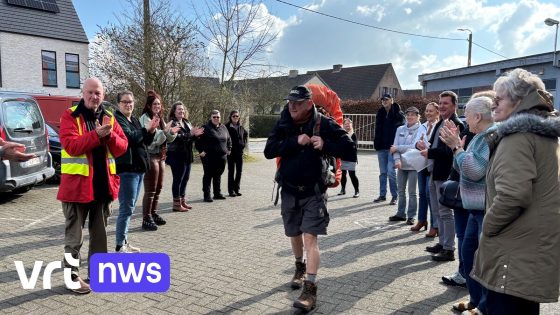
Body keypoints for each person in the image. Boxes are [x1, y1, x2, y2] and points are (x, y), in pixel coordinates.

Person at [471, 68, 560, 315]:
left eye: (500, 98)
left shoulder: (518, 137)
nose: (493, 103)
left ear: (519, 101)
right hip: (529, 251)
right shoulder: (541, 134)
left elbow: (513, 196)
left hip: (513, 252)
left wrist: (488, 226)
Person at [264, 85, 356, 312]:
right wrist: (296, 141)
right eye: (290, 102)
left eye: (297, 103)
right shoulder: (284, 122)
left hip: (314, 192)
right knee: (293, 233)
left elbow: (350, 149)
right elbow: (268, 150)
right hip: (289, 190)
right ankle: (299, 266)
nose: (292, 106)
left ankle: (310, 290)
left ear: (308, 103)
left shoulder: (323, 123)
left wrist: (325, 144)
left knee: (310, 238)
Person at [57, 77, 128, 294]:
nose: (93, 96)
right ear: (82, 93)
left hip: (102, 189)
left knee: (100, 237)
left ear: (103, 96)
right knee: (73, 239)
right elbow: (71, 146)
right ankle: (72, 277)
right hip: (76, 190)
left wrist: (109, 136)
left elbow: (122, 147)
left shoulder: (109, 118)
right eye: (90, 92)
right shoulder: (70, 116)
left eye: (97, 93)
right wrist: (96, 135)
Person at [439, 96, 496, 315]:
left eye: (468, 114)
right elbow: (462, 165)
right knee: (468, 251)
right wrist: (456, 148)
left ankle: (482, 306)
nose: (465, 118)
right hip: (473, 208)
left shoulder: (488, 137)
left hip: (483, 209)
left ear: (478, 116)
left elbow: (474, 170)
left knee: (478, 258)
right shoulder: (477, 136)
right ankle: (475, 300)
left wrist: (457, 148)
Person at [417, 90, 464, 262]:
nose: (442, 106)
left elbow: (449, 151)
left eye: (446, 103)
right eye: (440, 102)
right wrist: (425, 145)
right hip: (434, 172)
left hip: (445, 174)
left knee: (445, 212)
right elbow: (436, 144)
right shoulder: (441, 122)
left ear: (454, 105)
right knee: (437, 211)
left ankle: (449, 249)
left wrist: (429, 151)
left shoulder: (456, 124)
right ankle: (442, 243)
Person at [114, 91, 157, 253]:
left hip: (138, 169)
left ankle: (124, 241)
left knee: (130, 208)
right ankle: (119, 245)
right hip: (127, 170)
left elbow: (145, 141)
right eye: (125, 102)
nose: (128, 105)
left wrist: (151, 131)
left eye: (131, 102)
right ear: (118, 104)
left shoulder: (133, 119)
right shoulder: (118, 119)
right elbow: (130, 138)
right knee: (126, 208)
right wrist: (145, 129)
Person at [139, 90, 179, 231]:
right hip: (150, 155)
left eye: (159, 104)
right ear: (149, 105)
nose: (157, 106)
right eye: (155, 104)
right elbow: (153, 141)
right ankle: (146, 218)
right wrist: (164, 132)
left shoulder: (160, 118)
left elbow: (166, 139)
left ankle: (153, 213)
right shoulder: (145, 118)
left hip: (161, 156)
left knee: (159, 188)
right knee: (150, 190)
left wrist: (171, 133)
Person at [389, 106, 425, 225]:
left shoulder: (421, 129)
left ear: (418, 116)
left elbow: (413, 146)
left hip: (414, 165)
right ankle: (400, 214)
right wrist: (397, 160)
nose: (410, 117)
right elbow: (394, 147)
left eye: (413, 115)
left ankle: (411, 215)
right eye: (408, 115)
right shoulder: (400, 129)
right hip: (401, 164)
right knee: (400, 191)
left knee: (412, 192)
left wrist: (398, 148)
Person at [166, 101, 204, 211]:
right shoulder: (172, 123)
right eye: (179, 109)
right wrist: (191, 134)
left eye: (183, 109)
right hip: (176, 155)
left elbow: (190, 137)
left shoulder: (186, 122)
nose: (181, 111)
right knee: (178, 179)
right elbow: (178, 138)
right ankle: (176, 204)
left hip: (187, 155)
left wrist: (196, 135)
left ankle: (182, 200)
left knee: (185, 179)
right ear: (174, 111)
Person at [411, 102, 439, 235]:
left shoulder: (439, 126)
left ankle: (435, 225)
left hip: (432, 163)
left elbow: (437, 144)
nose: (428, 113)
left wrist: (427, 146)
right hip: (421, 162)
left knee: (430, 194)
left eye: (431, 111)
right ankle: (422, 220)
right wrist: (418, 144)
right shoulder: (422, 126)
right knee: (422, 193)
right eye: (427, 111)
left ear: (437, 113)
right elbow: (415, 142)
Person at [373, 93, 404, 205]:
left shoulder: (399, 114)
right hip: (381, 147)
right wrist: (376, 143)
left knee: (391, 172)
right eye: (382, 100)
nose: (384, 101)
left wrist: (397, 146)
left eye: (386, 99)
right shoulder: (380, 113)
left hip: (392, 147)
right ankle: (382, 195)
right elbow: (377, 129)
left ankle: (394, 196)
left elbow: (402, 131)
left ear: (391, 100)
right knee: (383, 172)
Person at [195, 110, 231, 202]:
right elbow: (197, 140)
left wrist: (229, 149)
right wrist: (201, 151)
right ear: (211, 118)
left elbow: (229, 139)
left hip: (222, 157)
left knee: (218, 175)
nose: (216, 118)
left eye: (217, 117)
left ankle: (217, 194)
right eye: (214, 117)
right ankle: (207, 195)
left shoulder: (223, 127)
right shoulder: (205, 128)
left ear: (220, 118)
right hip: (209, 157)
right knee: (208, 175)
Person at [225, 110, 248, 197]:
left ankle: (236, 189)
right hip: (230, 153)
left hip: (239, 153)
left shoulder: (241, 127)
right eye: (234, 116)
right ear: (230, 117)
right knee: (231, 171)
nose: (235, 117)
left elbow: (245, 135)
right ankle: (231, 191)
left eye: (237, 116)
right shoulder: (226, 127)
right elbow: (224, 138)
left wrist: (243, 144)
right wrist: (226, 148)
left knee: (239, 171)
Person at [338, 118, 359, 198]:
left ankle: (357, 191)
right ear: (343, 125)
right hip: (343, 157)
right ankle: (343, 190)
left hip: (351, 158)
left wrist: (346, 144)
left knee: (352, 175)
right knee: (343, 175)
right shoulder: (341, 134)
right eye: (345, 124)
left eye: (348, 124)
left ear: (351, 125)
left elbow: (354, 145)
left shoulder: (353, 134)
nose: (347, 125)